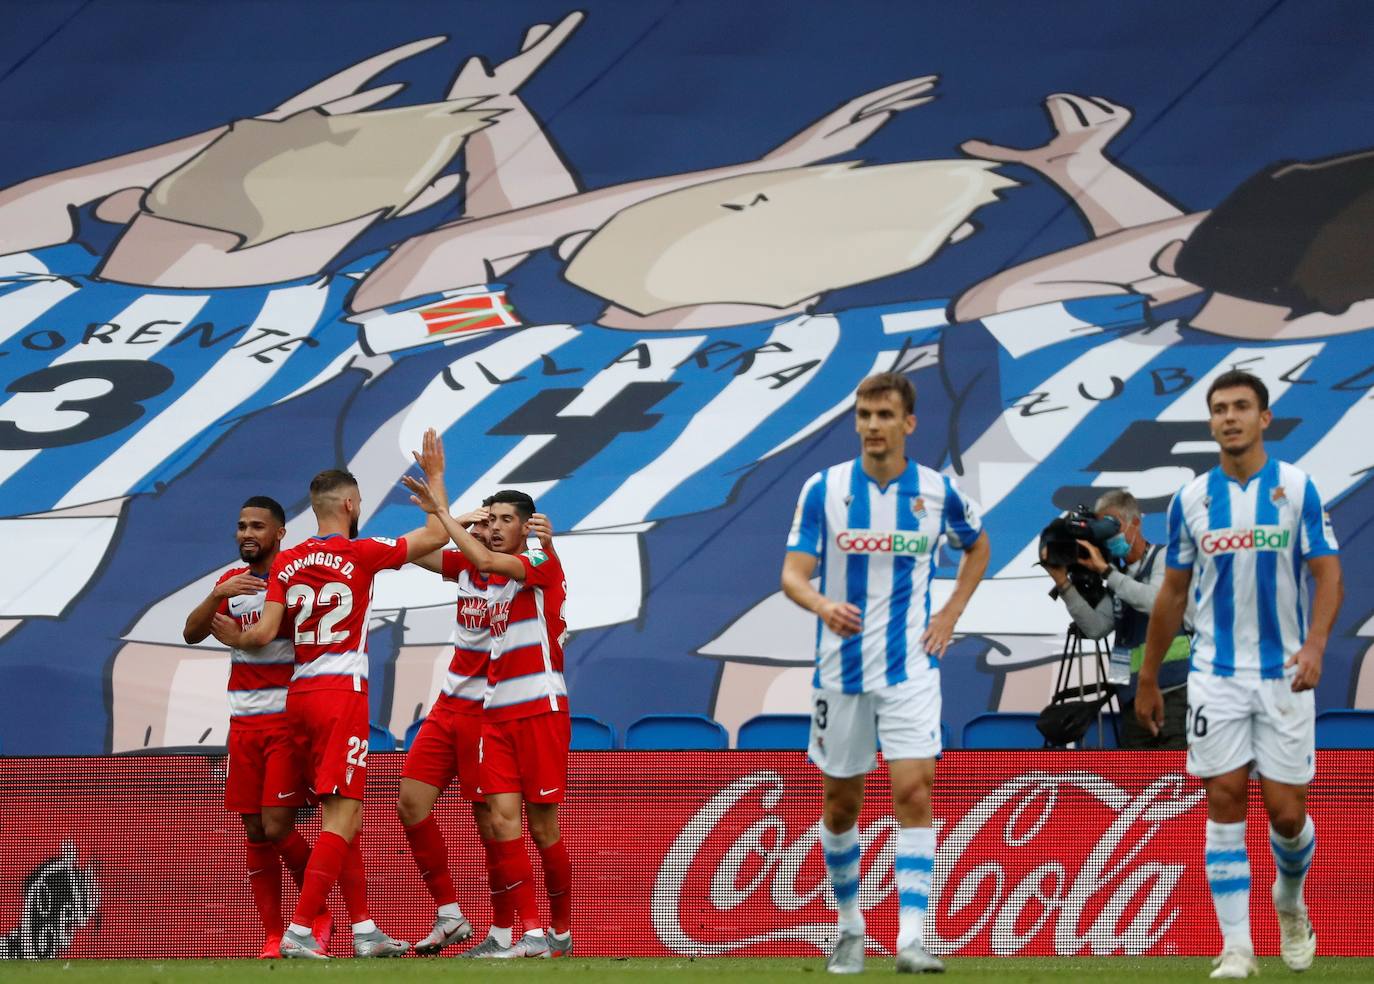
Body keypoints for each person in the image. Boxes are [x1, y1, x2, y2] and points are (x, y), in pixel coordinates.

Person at [211, 428, 451, 959]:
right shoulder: (361, 552)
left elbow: (261, 634)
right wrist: (434, 478)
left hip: (297, 696)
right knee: (342, 815)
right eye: (359, 502)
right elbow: (436, 535)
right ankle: (301, 928)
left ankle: (364, 930)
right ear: (349, 503)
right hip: (341, 694)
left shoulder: (288, 562)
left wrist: (233, 634)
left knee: (343, 817)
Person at [780, 371, 990, 974]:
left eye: (883, 415)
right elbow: (793, 574)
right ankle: (849, 927)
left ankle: (911, 937)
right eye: (864, 415)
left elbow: (978, 545)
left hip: (911, 669)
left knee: (912, 792)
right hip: (839, 671)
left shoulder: (937, 492)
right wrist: (821, 603)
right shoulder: (824, 489)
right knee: (841, 806)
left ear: (908, 424)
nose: (872, 426)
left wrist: (950, 612)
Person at [1137, 370, 1343, 979]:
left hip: (1284, 676)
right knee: (1224, 799)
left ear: (1264, 418)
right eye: (1220, 408)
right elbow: (1172, 592)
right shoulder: (1191, 500)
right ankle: (1236, 947)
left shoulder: (1297, 488)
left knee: (1284, 814)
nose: (1229, 417)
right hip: (1214, 675)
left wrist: (1315, 646)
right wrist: (1148, 677)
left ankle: (1290, 901)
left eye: (1241, 407)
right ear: (1211, 422)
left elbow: (1328, 575)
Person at [401, 475, 572, 959]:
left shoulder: (538, 559)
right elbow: (423, 551)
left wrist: (443, 509)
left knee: (542, 829)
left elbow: (487, 559)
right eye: (490, 518)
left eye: (505, 520)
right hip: (493, 711)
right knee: (499, 822)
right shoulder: (476, 566)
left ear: (527, 527)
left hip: (539, 708)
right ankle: (529, 933)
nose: (494, 527)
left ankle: (557, 930)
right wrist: (447, 517)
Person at [181, 495, 332, 958]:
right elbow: (190, 633)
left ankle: (316, 914)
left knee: (277, 824)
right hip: (242, 725)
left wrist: (249, 633)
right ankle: (272, 935)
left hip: (285, 720)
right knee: (253, 829)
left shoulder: (293, 579)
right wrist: (215, 597)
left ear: (279, 533)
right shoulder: (230, 581)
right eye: (242, 526)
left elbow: (285, 638)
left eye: (257, 527)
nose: (247, 534)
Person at [1041, 489, 1190, 749]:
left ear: (1136, 522)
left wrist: (1106, 571)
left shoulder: (1164, 558)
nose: (1108, 534)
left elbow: (1156, 603)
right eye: (1102, 526)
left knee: (1178, 779)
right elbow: (1097, 628)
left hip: (1175, 693)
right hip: (1132, 700)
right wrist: (1063, 583)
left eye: (1113, 524)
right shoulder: (1117, 576)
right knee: (1138, 786)